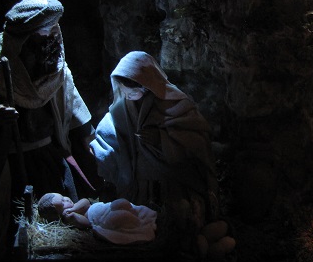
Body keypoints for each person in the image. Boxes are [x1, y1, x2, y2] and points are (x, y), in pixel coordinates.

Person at [0, 0, 101, 262]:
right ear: (26, 34)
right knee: (13, 213)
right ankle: (14, 255)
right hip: (12, 156)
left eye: (54, 27)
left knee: (61, 206)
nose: (52, 34)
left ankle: (60, 250)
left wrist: (85, 130)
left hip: (47, 151)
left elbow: (67, 94)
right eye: (45, 29)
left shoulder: (53, 56)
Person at [91, 51, 219, 251]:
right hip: (139, 183)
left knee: (173, 220)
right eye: (124, 92)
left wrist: (162, 139)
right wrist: (103, 148)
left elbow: (196, 139)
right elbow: (111, 128)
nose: (127, 96)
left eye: (132, 92)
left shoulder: (175, 104)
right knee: (137, 222)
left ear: (147, 85)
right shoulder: (123, 106)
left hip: (168, 181)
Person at [37, 193, 157, 245]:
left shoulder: (76, 206)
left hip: (106, 208)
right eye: (63, 203)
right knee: (120, 217)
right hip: (102, 219)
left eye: (63, 197)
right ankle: (141, 226)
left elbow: (86, 202)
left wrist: (73, 209)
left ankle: (144, 217)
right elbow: (87, 223)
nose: (66, 199)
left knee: (122, 203)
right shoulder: (71, 217)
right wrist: (72, 216)